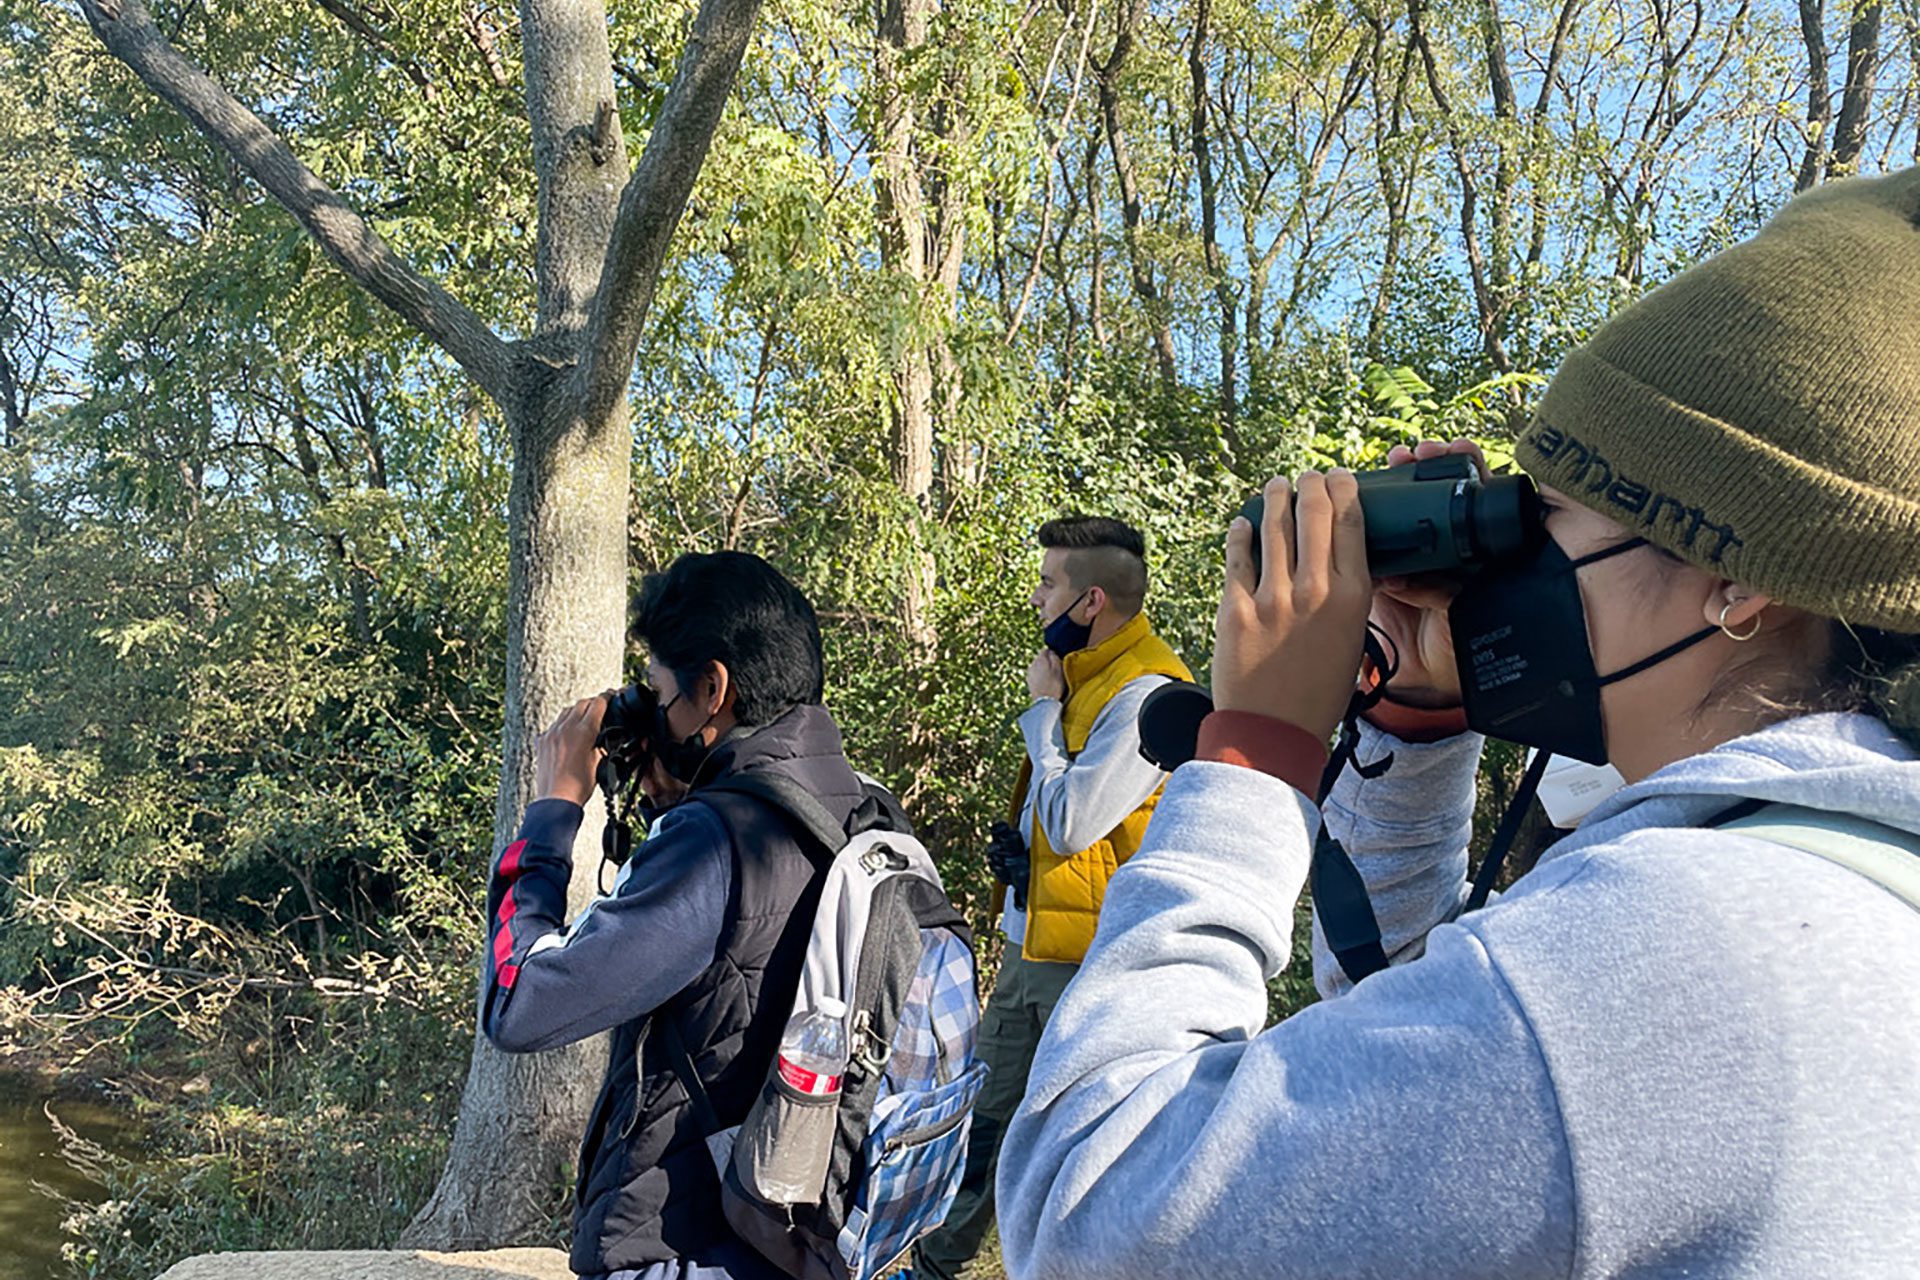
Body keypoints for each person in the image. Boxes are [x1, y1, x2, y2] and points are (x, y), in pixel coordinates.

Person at [997, 170, 1920, 1277]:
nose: (1511, 558)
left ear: (1738, 576)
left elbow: (1091, 1214)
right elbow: (1416, 1062)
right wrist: (1415, 726)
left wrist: (1254, 753)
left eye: (1556, 513)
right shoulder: (1837, 883)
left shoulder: (1682, 944)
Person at [479, 551, 871, 1280]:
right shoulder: (858, 806)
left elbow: (519, 1005)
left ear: (713, 687)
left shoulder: (714, 840)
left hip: (689, 1245)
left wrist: (552, 812)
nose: (653, 714)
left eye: (659, 692)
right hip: (800, 1236)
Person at [913, 516, 1192, 1280]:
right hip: (1035, 945)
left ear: (1090, 600)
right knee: (985, 1123)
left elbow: (1075, 823)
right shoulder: (1085, 677)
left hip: (1094, 962)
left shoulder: (1147, 693)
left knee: (1082, 1142)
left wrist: (1041, 715)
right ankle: (937, 1266)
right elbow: (1065, 830)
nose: (1036, 597)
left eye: (1048, 584)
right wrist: (1021, 863)